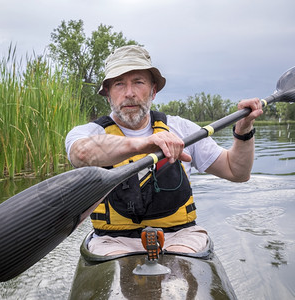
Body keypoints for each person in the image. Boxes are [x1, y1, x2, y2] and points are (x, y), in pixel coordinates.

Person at [65, 45, 263, 256]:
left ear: (153, 91)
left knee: (179, 273)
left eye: (138, 82)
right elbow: (82, 154)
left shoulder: (183, 129)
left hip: (181, 237)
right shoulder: (87, 133)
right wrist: (146, 143)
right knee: (117, 270)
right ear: (108, 95)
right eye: (119, 84)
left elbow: (237, 172)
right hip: (112, 241)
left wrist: (244, 131)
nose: (129, 93)